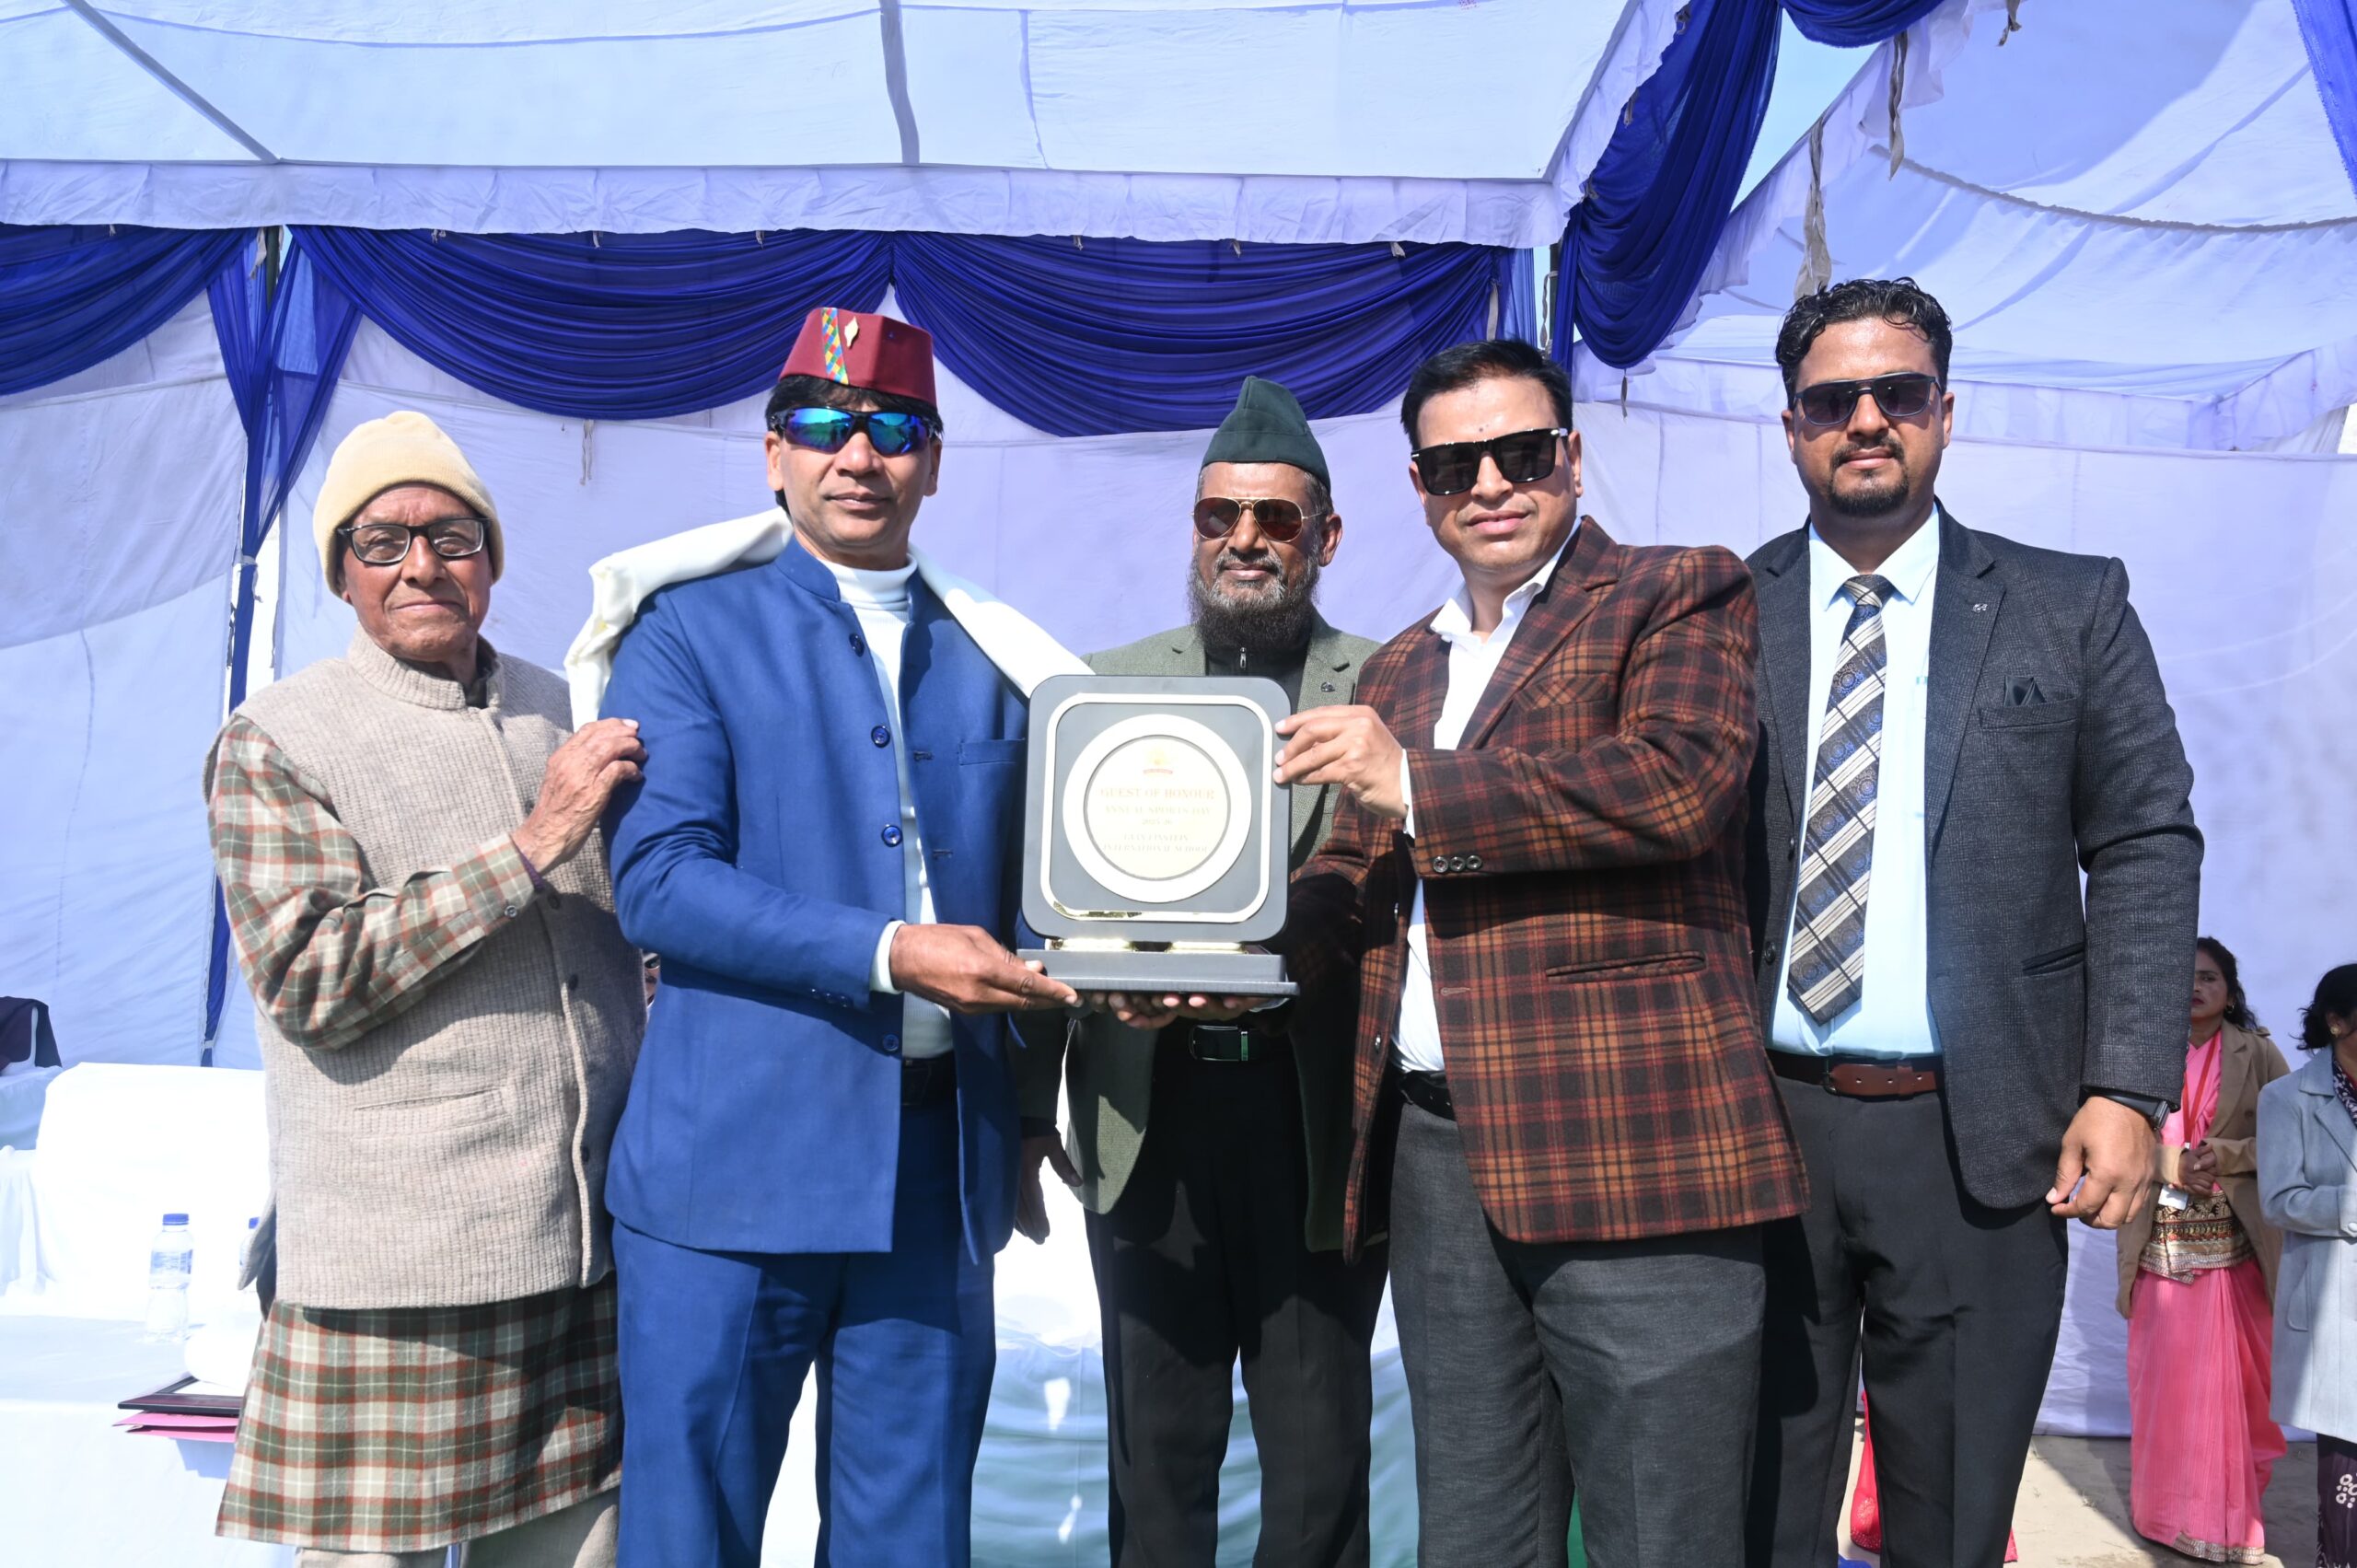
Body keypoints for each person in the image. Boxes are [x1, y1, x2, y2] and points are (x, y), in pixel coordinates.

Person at [1277, 337, 1807, 1567]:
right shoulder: (1399, 666)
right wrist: (1216, 957)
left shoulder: (1678, 589)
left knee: (1661, 1537)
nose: (1489, 484)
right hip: (1436, 1156)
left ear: (1571, 456)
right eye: (1453, 465)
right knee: (1473, 1534)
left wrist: (1416, 783)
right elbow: (1356, 878)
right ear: (1419, 485)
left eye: (1519, 452)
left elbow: (1675, 785)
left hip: (1634, 1147)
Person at [586, 308, 1081, 1568]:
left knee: (909, 1540)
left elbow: (1045, 901)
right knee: (689, 1536)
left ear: (935, 459)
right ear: (773, 454)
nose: (857, 455)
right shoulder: (688, 631)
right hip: (730, 1168)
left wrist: (1038, 1104)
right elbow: (660, 882)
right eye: (821, 423)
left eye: (894, 429)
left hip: (934, 1168)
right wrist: (893, 950)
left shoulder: (995, 656)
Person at [1740, 277, 2202, 1568]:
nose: (1866, 418)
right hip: (1759, 1126)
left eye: (1897, 392)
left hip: (1981, 1137)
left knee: (1948, 1529)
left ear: (1945, 411)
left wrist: (2126, 1084)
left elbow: (2146, 840)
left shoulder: (2069, 603)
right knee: (1749, 1518)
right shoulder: (1718, 610)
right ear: (1791, 426)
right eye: (1833, 399)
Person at [208, 412, 646, 1568]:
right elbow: (311, 976)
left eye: (452, 536)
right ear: (340, 572)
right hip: (396, 1271)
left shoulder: (566, 709)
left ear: (491, 558)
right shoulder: (277, 738)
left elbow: (639, 929)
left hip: (586, 1257)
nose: (420, 565)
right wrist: (533, 843)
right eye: (381, 540)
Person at [1015, 377, 1387, 1567]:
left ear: (1326, 535)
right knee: (1158, 1461)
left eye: (1276, 517)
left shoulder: (1386, 684)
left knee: (1319, 1471)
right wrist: (1025, 1110)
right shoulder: (1103, 685)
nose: (1245, 539)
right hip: (1147, 1109)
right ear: (1193, 528)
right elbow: (1045, 898)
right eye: (1219, 514)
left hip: (1312, 1120)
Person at [2116, 937, 2288, 1563]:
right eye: (2184, 977)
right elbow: (2115, 1135)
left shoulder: (2257, 1052)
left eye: (2209, 977)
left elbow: (2293, 1134)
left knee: (2238, 1391)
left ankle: (2228, 1520)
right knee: (2166, 1389)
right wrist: (2172, 1163)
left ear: (2231, 991)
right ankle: (2166, 1515)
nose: (2195, 987)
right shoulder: (2139, 1053)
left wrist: (2227, 1154)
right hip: (2159, 1246)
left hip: (2236, 1252)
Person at [2260, 963, 2357, 1568]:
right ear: (2337, 1022)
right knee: (2348, 1462)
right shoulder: (2287, 1098)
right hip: (2334, 1307)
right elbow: (2280, 1199)